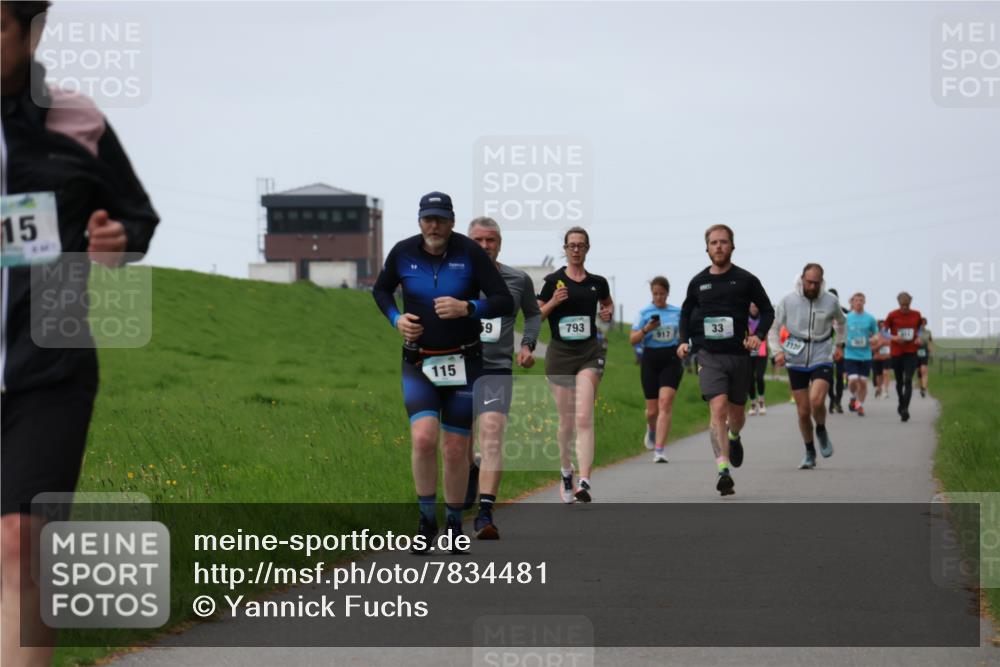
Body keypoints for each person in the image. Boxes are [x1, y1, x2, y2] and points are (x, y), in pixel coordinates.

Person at [2, 2, 160, 663]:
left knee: (21, 540)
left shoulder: (79, 119)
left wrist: (116, 241)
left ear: (32, 31)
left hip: (49, 370)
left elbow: (134, 217)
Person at [372, 192, 513, 552]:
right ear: (419, 221)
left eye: (440, 219)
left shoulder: (469, 252)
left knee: (454, 447)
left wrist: (468, 307)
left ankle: (453, 523)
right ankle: (425, 520)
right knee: (422, 437)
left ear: (451, 222)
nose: (434, 226)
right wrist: (396, 319)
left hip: (465, 364)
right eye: (427, 219)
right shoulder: (403, 252)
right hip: (419, 362)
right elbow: (382, 290)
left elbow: (502, 300)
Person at [677, 225, 773, 496]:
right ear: (706, 248)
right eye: (713, 242)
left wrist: (759, 335)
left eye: (723, 242)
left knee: (736, 415)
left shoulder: (746, 280)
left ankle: (734, 436)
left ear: (732, 246)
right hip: (709, 355)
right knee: (717, 409)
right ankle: (723, 471)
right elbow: (685, 313)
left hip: (739, 355)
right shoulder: (697, 282)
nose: (718, 246)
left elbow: (766, 310)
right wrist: (684, 340)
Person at [466, 217, 540, 539]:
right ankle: (470, 471)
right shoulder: (456, 278)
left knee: (492, 433)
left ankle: (485, 513)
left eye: (491, 240)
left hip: (496, 368)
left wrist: (527, 344)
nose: (485, 247)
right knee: (459, 441)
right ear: (468, 243)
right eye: (478, 241)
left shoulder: (517, 279)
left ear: (500, 243)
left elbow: (534, 313)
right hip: (458, 366)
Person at [537, 227, 613, 503]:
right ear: (565, 249)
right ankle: (565, 471)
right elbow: (536, 316)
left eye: (581, 245)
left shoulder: (598, 282)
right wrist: (554, 303)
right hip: (560, 355)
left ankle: (584, 480)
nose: (576, 250)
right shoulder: (553, 281)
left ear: (588, 248)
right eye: (572, 245)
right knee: (566, 421)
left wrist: (607, 312)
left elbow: (607, 306)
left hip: (588, 354)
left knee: (583, 417)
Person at [768, 264, 846, 470]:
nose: (812, 286)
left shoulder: (830, 300)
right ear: (802, 278)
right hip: (796, 355)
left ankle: (820, 428)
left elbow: (841, 322)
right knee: (803, 412)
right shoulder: (788, 300)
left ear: (822, 281)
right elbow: (773, 328)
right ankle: (809, 451)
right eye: (809, 281)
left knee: (816, 400)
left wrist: (839, 345)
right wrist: (777, 351)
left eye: (816, 283)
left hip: (821, 353)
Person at [629, 276, 683, 463]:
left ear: (667, 293)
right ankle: (651, 429)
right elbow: (632, 339)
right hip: (650, 360)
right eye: (655, 294)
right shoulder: (644, 313)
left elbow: (685, 334)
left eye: (662, 293)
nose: (658, 297)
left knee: (665, 403)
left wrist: (685, 345)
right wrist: (646, 329)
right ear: (651, 294)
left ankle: (659, 450)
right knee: (652, 412)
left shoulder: (677, 312)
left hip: (671, 359)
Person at [885, 292, 923, 422]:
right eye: (903, 305)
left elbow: (919, 329)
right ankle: (901, 402)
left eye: (907, 304)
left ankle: (905, 409)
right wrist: (894, 337)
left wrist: (918, 337)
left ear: (910, 302)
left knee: (908, 380)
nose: (905, 307)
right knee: (899, 381)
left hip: (911, 351)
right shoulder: (892, 315)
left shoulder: (916, 314)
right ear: (899, 303)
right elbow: (883, 331)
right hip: (897, 352)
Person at [843, 292, 879, 417]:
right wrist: (842, 342)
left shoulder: (870, 318)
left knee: (863, 382)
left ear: (864, 302)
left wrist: (874, 339)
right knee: (852, 380)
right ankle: (853, 397)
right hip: (850, 354)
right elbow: (840, 333)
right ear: (852, 302)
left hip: (865, 355)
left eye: (861, 300)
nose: (858, 302)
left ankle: (860, 405)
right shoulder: (847, 318)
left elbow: (876, 333)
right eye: (856, 300)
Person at [826, 288, 849, 414]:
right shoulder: (822, 312)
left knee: (839, 376)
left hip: (841, 349)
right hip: (826, 349)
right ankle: (832, 399)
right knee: (829, 378)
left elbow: (846, 332)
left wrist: (842, 347)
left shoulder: (843, 314)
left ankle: (838, 401)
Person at [746, 302, 769, 416]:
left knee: (759, 377)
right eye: (752, 306)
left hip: (761, 351)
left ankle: (761, 402)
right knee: (750, 379)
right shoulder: (745, 318)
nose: (754, 309)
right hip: (749, 350)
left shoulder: (763, 318)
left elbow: (765, 335)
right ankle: (753, 403)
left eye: (756, 306)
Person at [872, 320, 892, 399]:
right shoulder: (875, 336)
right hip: (877, 358)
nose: (882, 328)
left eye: (884, 326)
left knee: (886, 373)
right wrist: (879, 345)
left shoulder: (890, 336)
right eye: (880, 326)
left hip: (887, 358)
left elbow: (893, 346)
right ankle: (879, 388)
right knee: (878, 375)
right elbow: (872, 349)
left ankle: (886, 391)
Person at [916, 317, 933, 398]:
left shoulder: (928, 332)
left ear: (925, 323)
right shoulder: (915, 332)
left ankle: (924, 388)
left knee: (924, 371)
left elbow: (930, 342)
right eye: (921, 323)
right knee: (919, 371)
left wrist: (930, 350)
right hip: (916, 351)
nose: (922, 324)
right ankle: (921, 386)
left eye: (924, 323)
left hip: (924, 351)